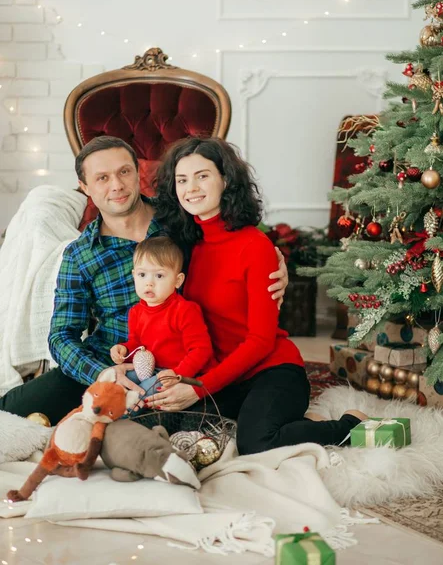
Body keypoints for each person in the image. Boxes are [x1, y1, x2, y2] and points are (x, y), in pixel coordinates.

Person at [0, 136, 288, 424]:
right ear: (85, 188)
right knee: (9, 410)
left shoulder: (179, 218)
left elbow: (232, 236)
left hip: (179, 363)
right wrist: (103, 373)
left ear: (138, 174)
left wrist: (276, 263)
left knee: (152, 431)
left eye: (124, 171)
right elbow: (61, 336)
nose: (117, 185)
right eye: (102, 178)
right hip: (112, 361)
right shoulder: (80, 255)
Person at [143, 137, 368, 455]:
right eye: (182, 179)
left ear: (225, 180)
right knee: (170, 424)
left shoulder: (255, 245)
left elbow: (261, 341)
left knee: (255, 442)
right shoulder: (183, 245)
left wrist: (200, 389)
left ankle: (349, 424)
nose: (191, 187)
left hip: (270, 368)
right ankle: (304, 422)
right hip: (224, 373)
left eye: (202, 175)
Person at [110, 236, 214, 396]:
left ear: (177, 281)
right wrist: (124, 349)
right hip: (149, 368)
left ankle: (124, 409)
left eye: (159, 276)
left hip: (178, 372)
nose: (149, 283)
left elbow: (201, 350)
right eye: (142, 275)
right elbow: (137, 343)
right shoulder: (136, 312)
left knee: (139, 393)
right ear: (134, 275)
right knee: (116, 384)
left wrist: (178, 374)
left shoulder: (185, 310)